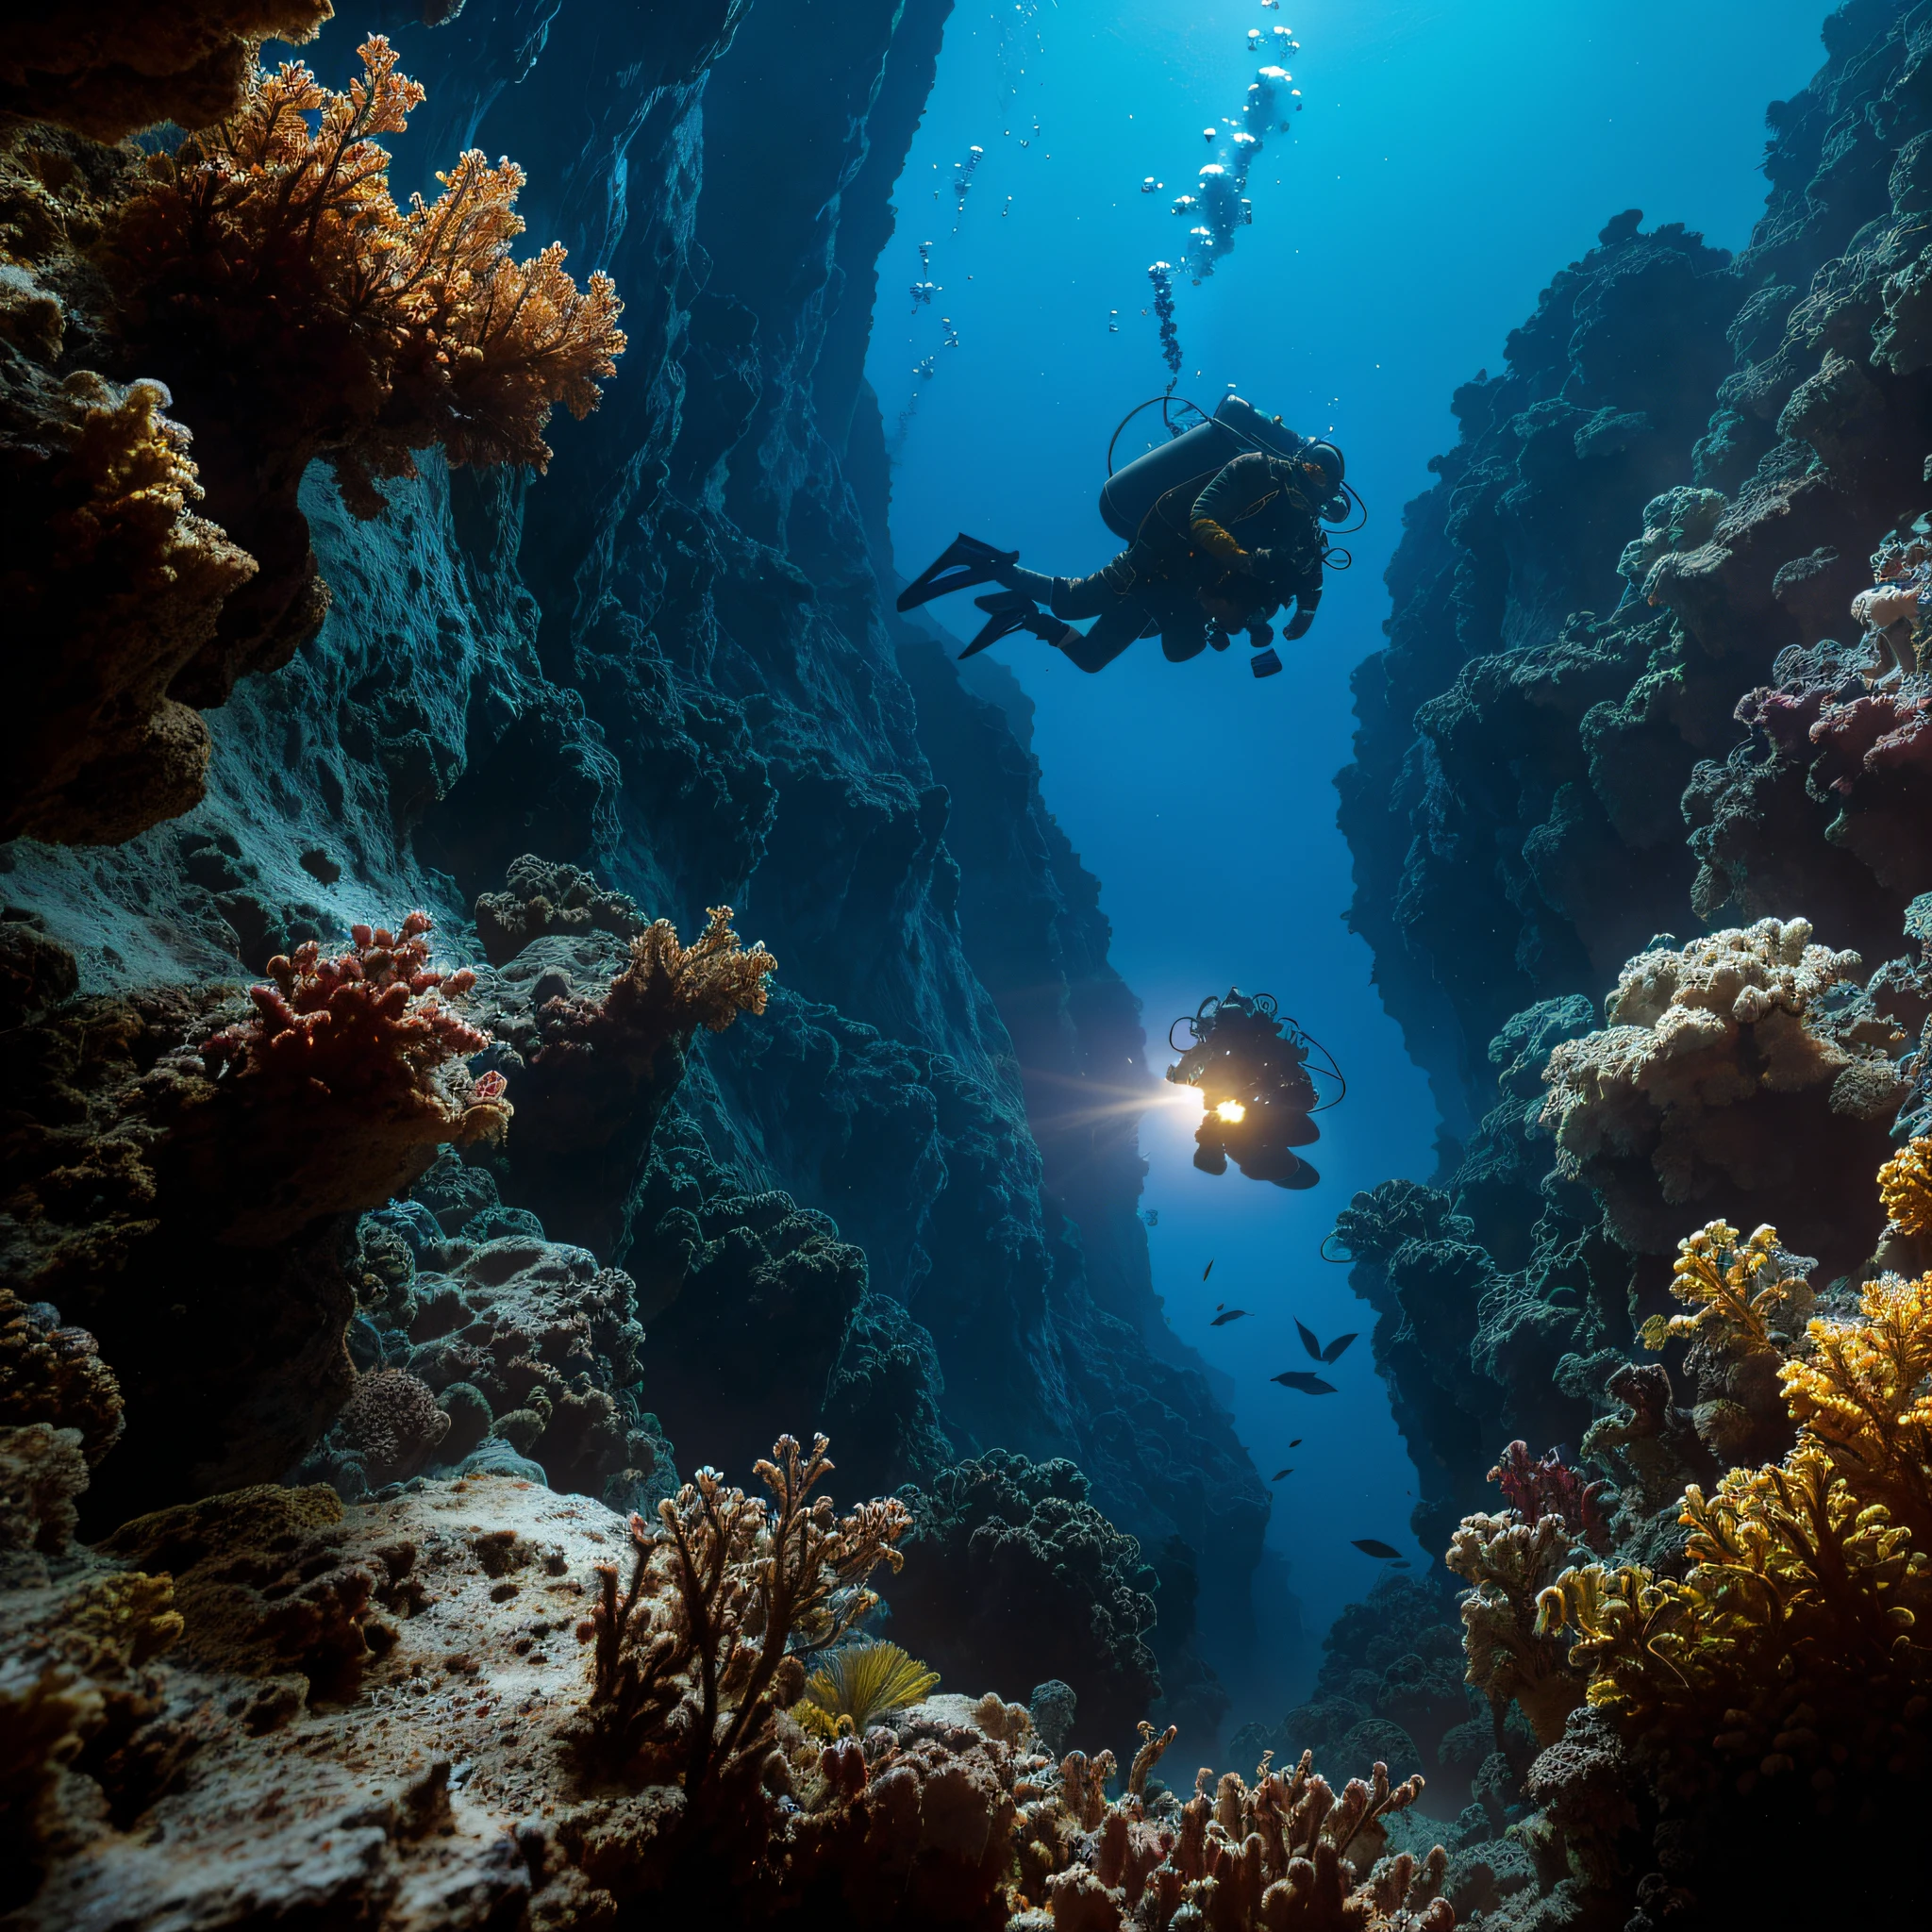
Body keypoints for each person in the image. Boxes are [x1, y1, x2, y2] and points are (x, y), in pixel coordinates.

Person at [898, 439, 1342, 673]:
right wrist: (1241, 560)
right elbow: (1202, 514)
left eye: (1323, 482)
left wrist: (1303, 613)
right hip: (1159, 554)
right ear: (1301, 460)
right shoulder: (1253, 468)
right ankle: (979, 558)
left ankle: (1021, 614)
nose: (1314, 482)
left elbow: (1310, 576)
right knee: (1072, 601)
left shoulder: (1302, 527)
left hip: (1179, 590)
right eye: (1313, 469)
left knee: (1092, 658)